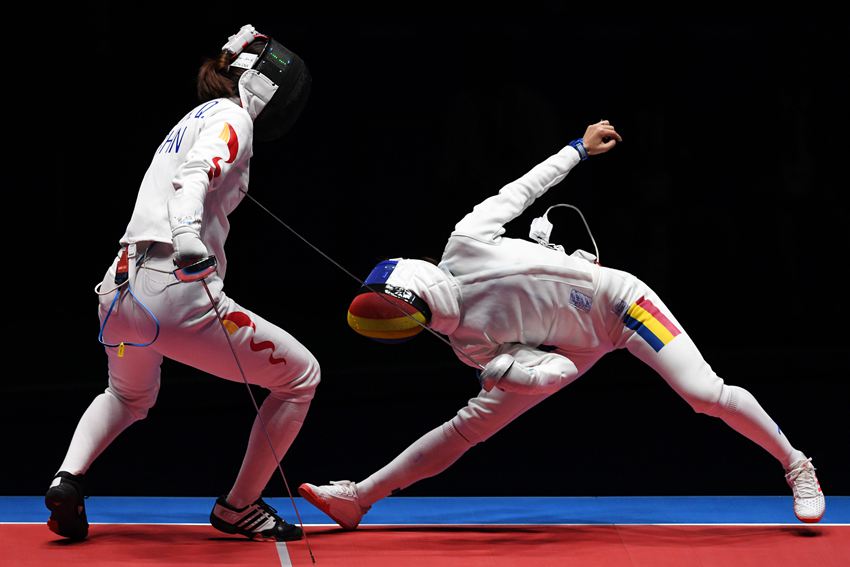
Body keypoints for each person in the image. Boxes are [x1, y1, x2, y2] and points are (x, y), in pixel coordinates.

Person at [299, 120, 825, 527]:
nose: (424, 324)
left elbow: (523, 189)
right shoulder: (464, 342)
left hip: (621, 306)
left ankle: (796, 463)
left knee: (703, 393)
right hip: (566, 349)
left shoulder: (466, 241)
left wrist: (578, 147)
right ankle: (360, 498)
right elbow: (548, 377)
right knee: (468, 428)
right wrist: (516, 371)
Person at [45, 25, 317, 542]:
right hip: (175, 289)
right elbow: (196, 174)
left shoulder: (192, 117)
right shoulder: (233, 116)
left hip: (118, 289)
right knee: (301, 377)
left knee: (127, 397)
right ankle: (239, 507)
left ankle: (67, 481)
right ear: (265, 86)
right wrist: (189, 235)